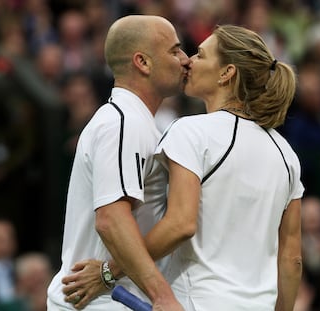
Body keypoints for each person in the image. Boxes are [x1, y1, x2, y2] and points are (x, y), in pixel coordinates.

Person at [63, 24, 304, 311]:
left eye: (200, 55)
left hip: (197, 301)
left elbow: (180, 224)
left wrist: (108, 272)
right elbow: (292, 259)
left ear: (227, 73)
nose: (188, 61)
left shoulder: (191, 132)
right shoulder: (286, 155)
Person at [46, 15, 189, 311]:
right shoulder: (123, 123)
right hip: (102, 301)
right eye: (174, 51)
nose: (185, 60)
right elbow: (111, 220)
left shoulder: (134, 121)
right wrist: (162, 295)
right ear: (143, 62)